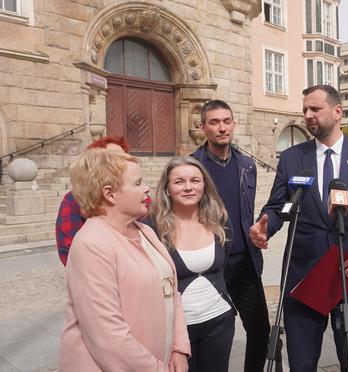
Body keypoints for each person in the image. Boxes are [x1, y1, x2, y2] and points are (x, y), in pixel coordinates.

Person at [249, 84, 348, 371]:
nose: (308, 115)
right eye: (305, 110)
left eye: (315, 109)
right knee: (302, 362)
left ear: (337, 112)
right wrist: (265, 226)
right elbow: (277, 206)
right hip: (305, 274)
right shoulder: (293, 158)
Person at [59, 148, 190, 371]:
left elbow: (171, 291)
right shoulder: (91, 244)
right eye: (138, 183)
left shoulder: (144, 231)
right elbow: (107, 335)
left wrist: (178, 348)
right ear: (110, 194)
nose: (147, 188)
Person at [191, 99, 270, 372]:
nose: (222, 128)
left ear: (233, 124)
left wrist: (257, 232)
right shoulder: (192, 168)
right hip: (210, 264)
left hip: (245, 262)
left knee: (261, 331)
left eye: (226, 121)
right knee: (215, 336)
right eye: (214, 122)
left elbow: (246, 211)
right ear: (203, 127)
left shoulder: (247, 165)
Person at [150, 157, 236, 372]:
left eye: (195, 181)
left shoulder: (219, 220)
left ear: (204, 185)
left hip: (219, 321)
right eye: (179, 182)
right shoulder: (152, 227)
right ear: (167, 189)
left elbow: (224, 263)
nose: (188, 187)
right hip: (174, 329)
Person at [55, 135, 139, 266]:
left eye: (123, 156)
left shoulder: (139, 196)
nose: (122, 161)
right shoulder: (73, 199)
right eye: (113, 157)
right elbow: (68, 249)